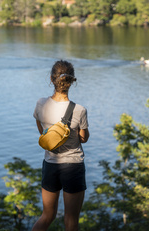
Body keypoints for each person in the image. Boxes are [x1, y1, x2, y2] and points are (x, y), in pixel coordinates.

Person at [32, 60, 90, 231]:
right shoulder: (79, 110)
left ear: (51, 79)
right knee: (71, 220)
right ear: (72, 81)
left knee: (47, 216)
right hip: (73, 167)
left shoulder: (41, 104)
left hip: (50, 165)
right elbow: (84, 139)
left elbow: (42, 132)